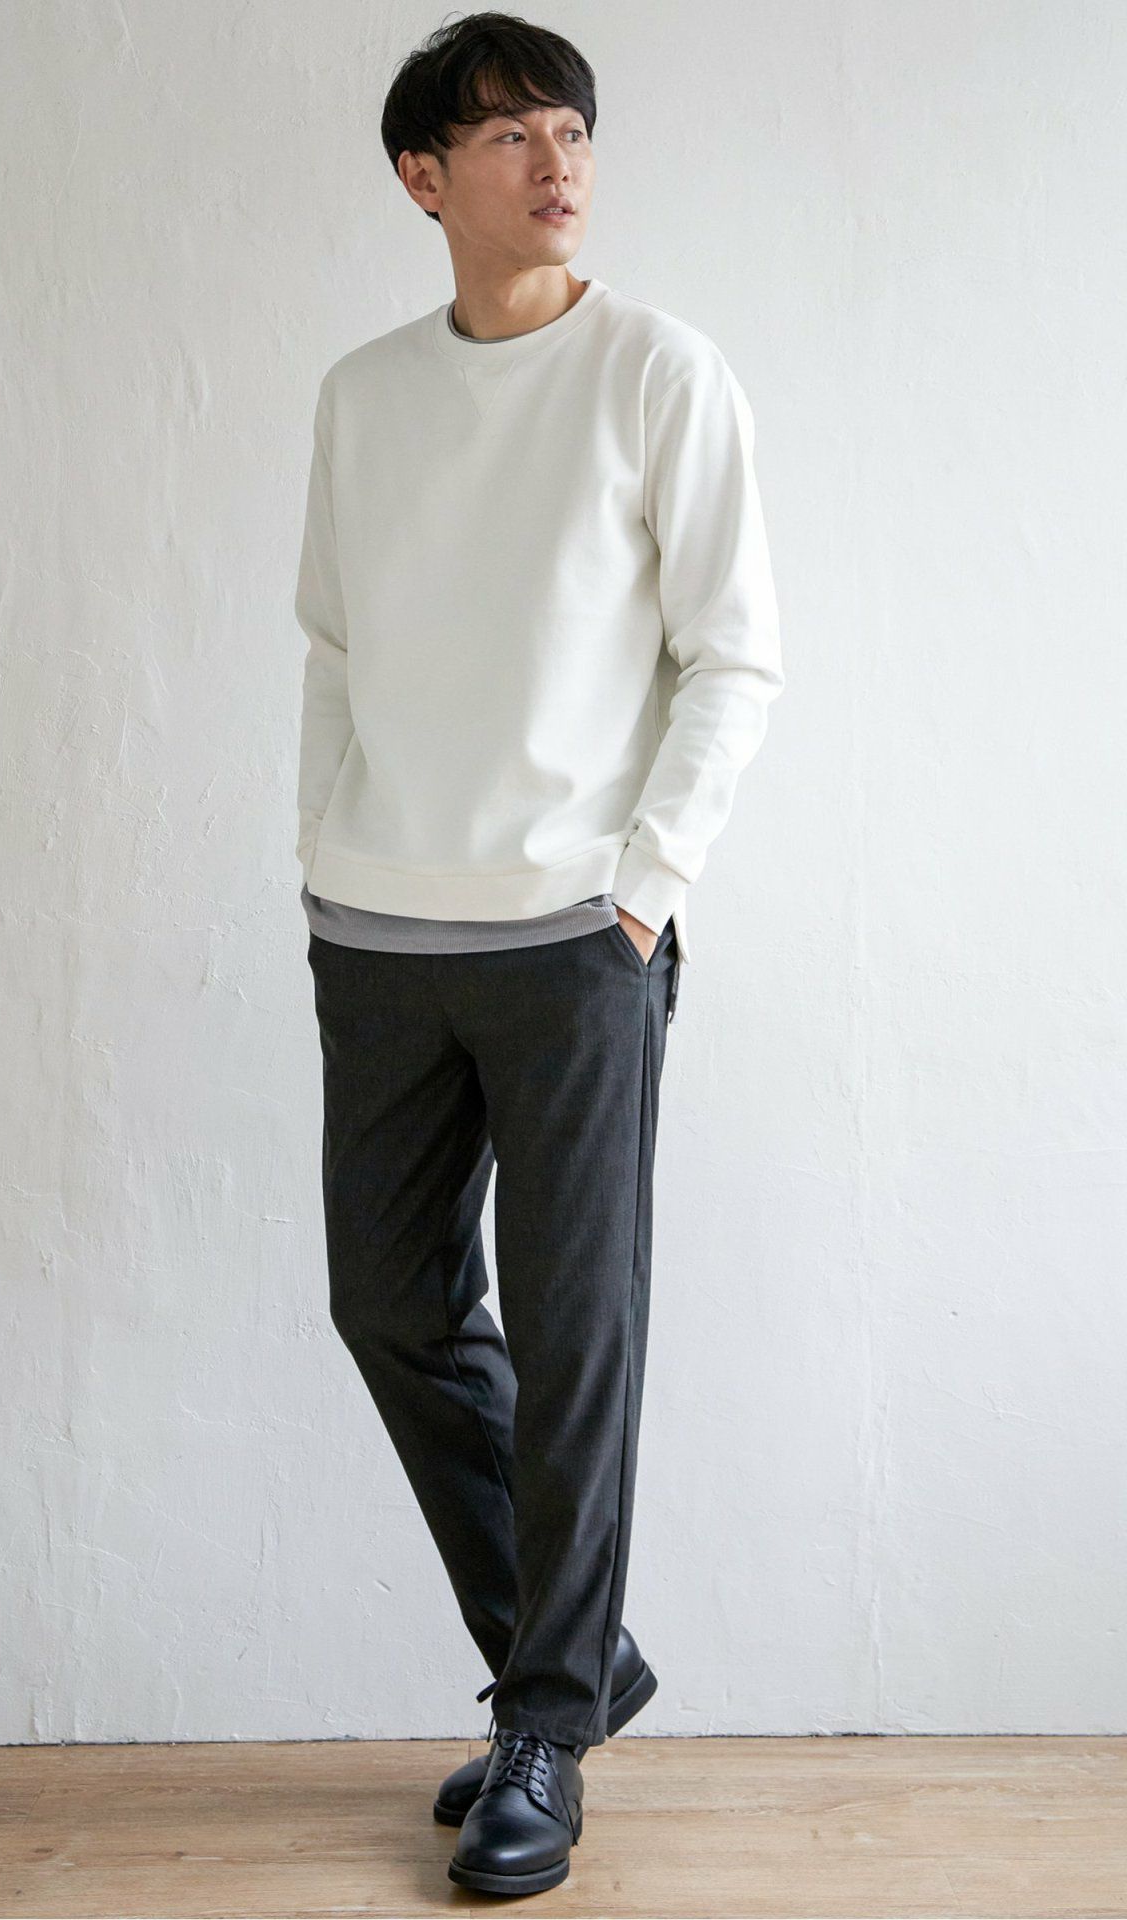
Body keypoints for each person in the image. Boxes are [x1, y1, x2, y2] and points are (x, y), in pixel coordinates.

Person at [293, 10, 783, 1897]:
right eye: (507, 133)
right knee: (392, 1306)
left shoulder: (659, 371)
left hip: (578, 934)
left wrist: (644, 887)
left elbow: (734, 655)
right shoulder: (364, 396)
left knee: (577, 1338)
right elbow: (333, 647)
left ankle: (547, 1724)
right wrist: (321, 854)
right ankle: (571, 1665)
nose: (556, 158)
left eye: (570, 126)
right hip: (377, 927)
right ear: (424, 177)